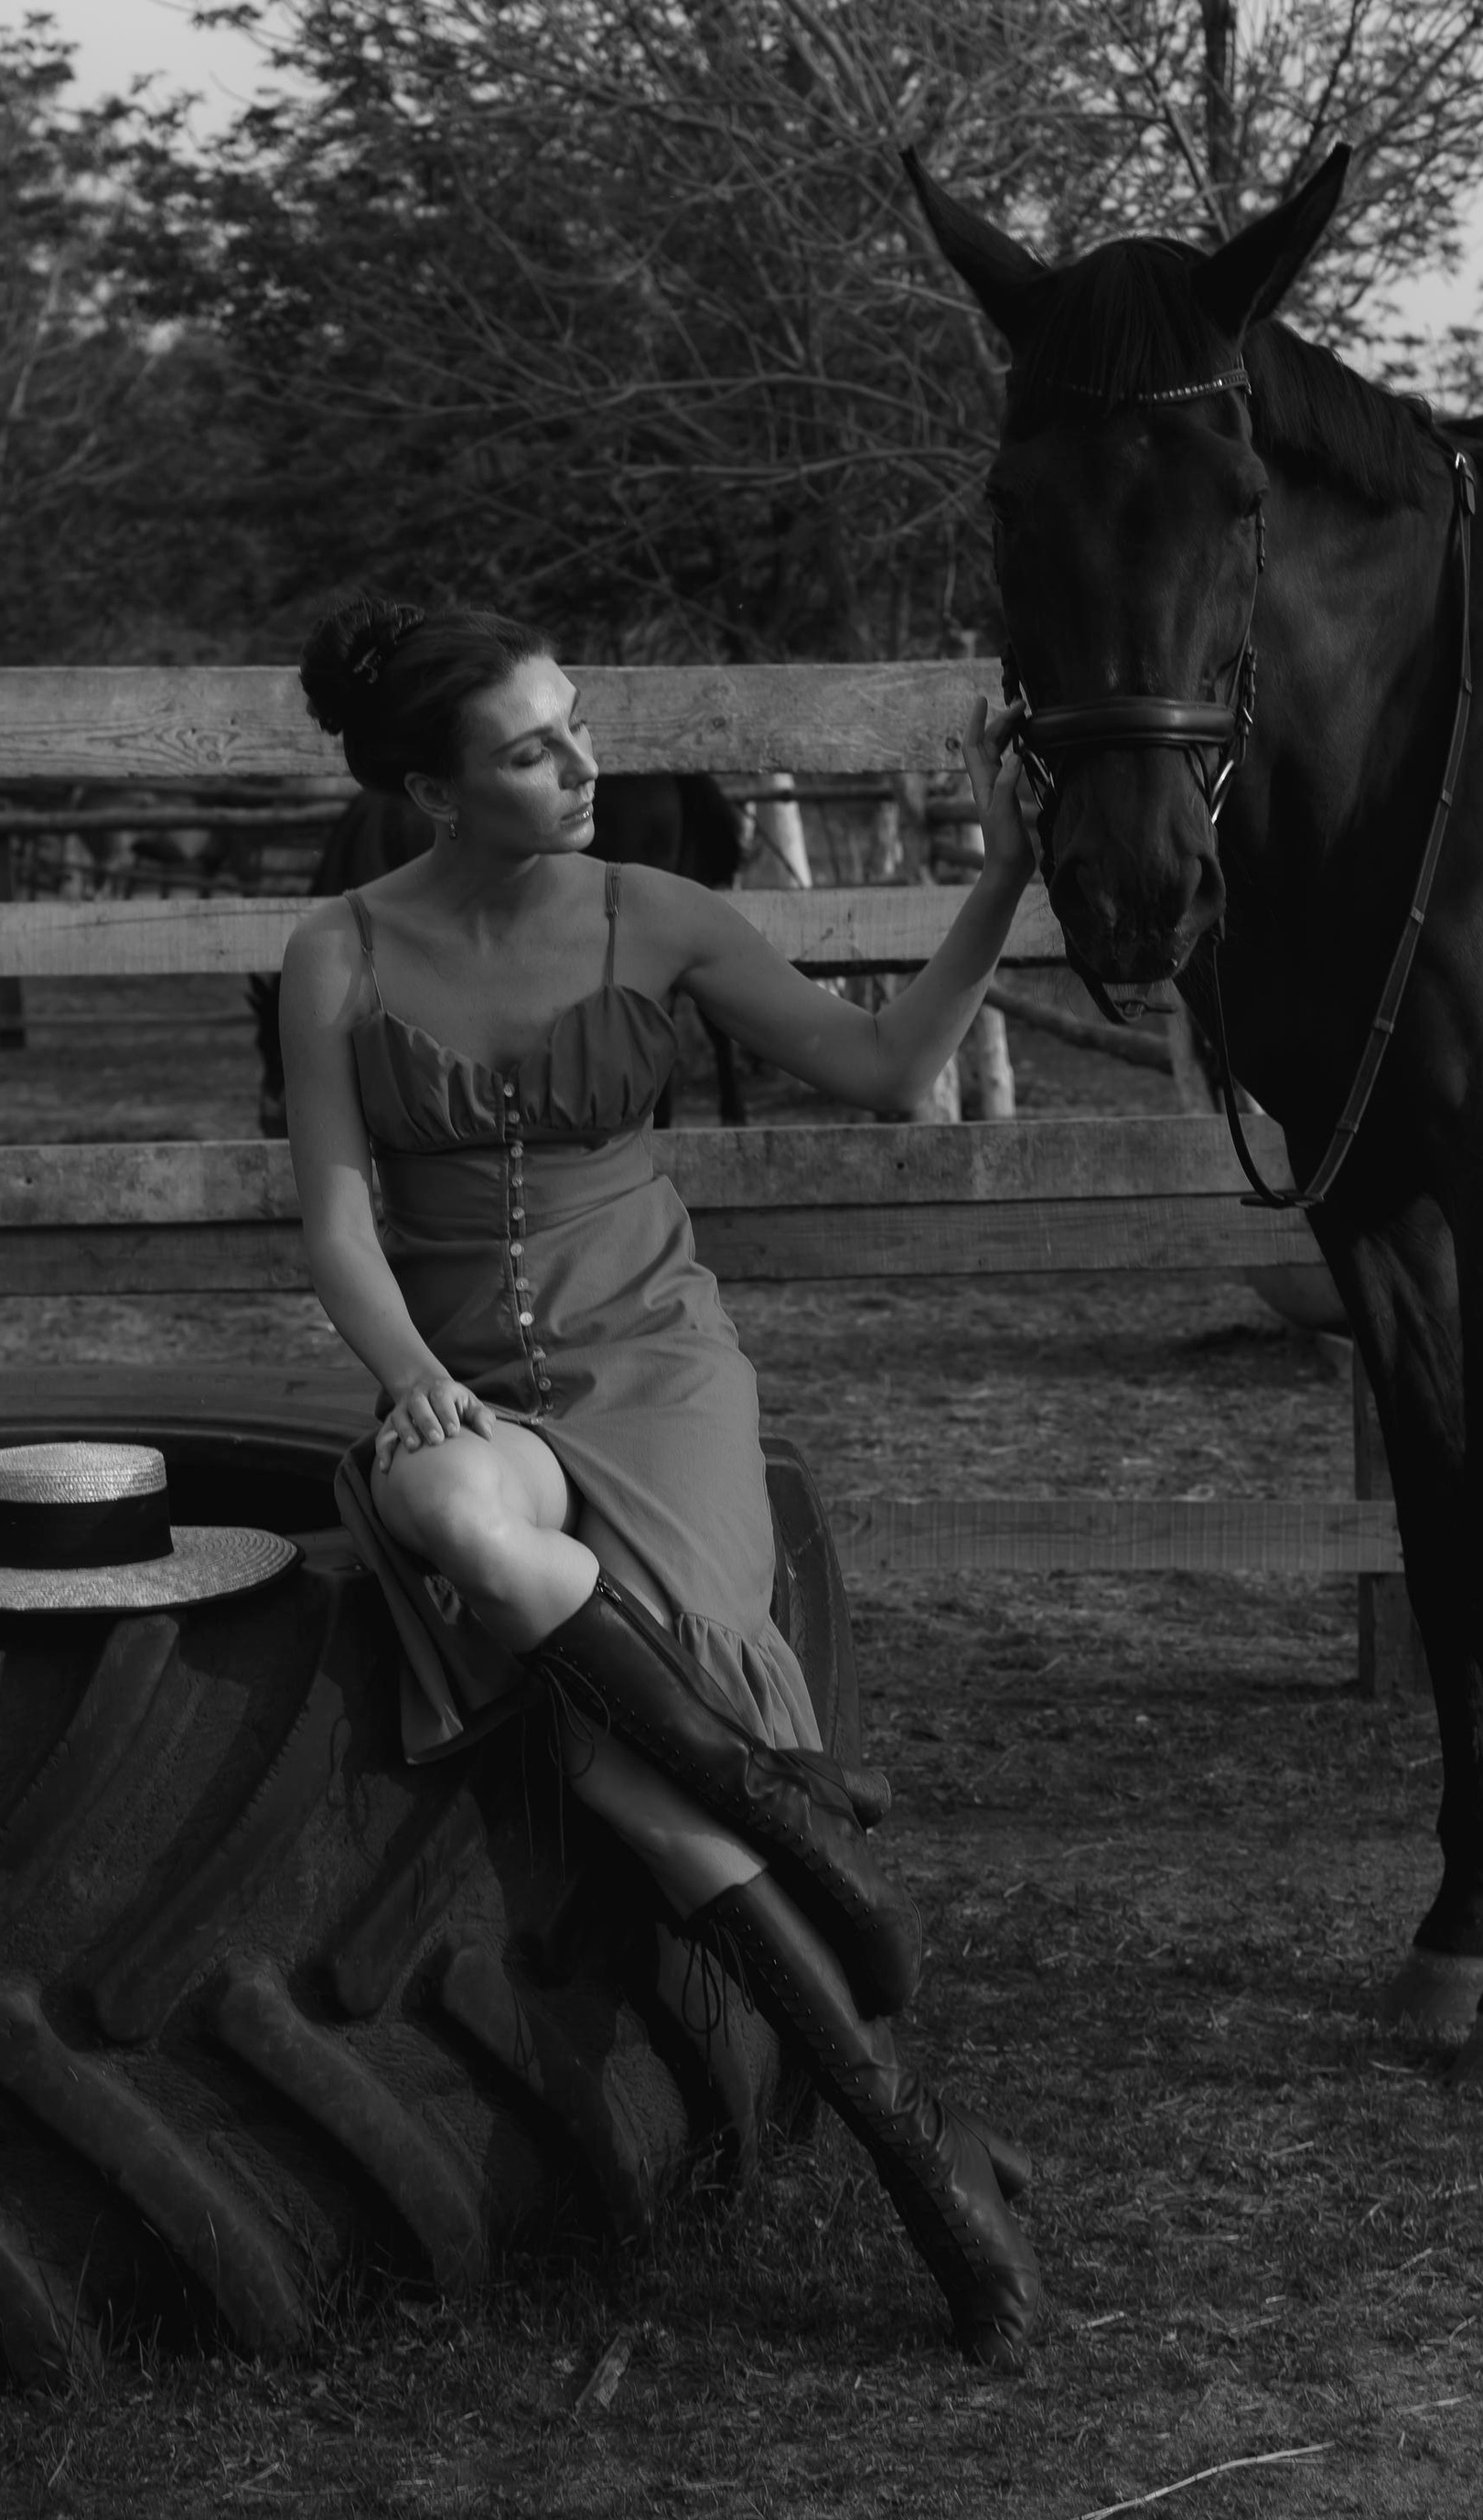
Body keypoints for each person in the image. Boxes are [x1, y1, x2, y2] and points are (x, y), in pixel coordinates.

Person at [277, 598, 1043, 2360]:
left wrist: (999, 878)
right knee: (454, 1511)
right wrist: (415, 1388)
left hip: (659, 1375)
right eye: (533, 746)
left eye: (577, 721)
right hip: (463, 1381)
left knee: (608, 1762)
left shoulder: (661, 913)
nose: (582, 762)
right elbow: (335, 1224)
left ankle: (921, 2169)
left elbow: (891, 1074)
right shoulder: (337, 951)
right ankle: (807, 1871)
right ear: (427, 788)